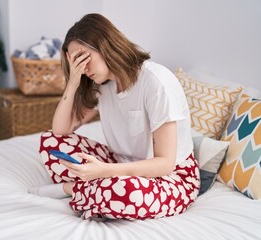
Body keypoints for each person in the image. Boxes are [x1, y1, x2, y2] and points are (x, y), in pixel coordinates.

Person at [33, 13, 200, 220]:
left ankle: (72, 189)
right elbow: (60, 131)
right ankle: (96, 192)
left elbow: (165, 163)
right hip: (117, 164)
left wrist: (104, 171)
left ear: (104, 45)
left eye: (83, 58)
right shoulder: (102, 85)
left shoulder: (156, 82)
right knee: (51, 142)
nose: (83, 69)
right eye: (76, 63)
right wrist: (73, 82)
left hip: (170, 178)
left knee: (127, 193)